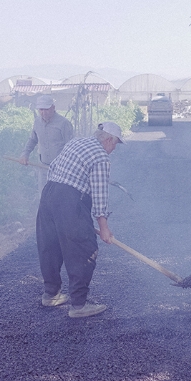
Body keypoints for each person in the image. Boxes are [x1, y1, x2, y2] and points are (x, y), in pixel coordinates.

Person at [35, 121, 123, 317]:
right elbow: (100, 196)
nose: (114, 149)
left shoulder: (77, 142)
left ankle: (51, 294)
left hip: (49, 193)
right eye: (116, 143)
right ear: (108, 139)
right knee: (83, 248)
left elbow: (54, 168)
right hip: (69, 200)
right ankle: (79, 305)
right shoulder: (101, 157)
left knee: (50, 246)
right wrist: (104, 228)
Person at [18, 95, 74, 196]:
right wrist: (25, 154)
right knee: (44, 196)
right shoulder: (37, 122)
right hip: (43, 167)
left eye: (46, 109)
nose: (43, 112)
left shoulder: (64, 123)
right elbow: (32, 140)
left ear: (53, 107)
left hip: (61, 170)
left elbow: (71, 147)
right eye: (41, 110)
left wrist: (67, 167)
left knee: (60, 197)